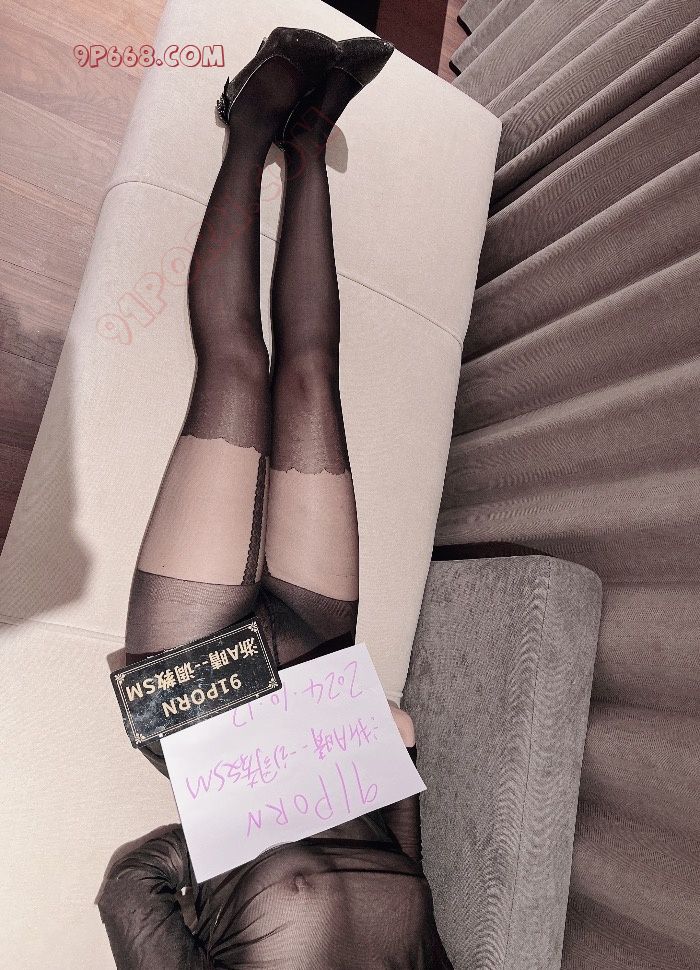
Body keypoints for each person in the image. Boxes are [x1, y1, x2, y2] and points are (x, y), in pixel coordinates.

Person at [98, 27, 453, 968]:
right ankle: (309, 142)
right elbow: (407, 873)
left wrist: (237, 805)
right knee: (310, 382)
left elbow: (129, 885)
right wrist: (398, 761)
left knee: (235, 375)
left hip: (205, 685)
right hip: (320, 666)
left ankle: (251, 123)